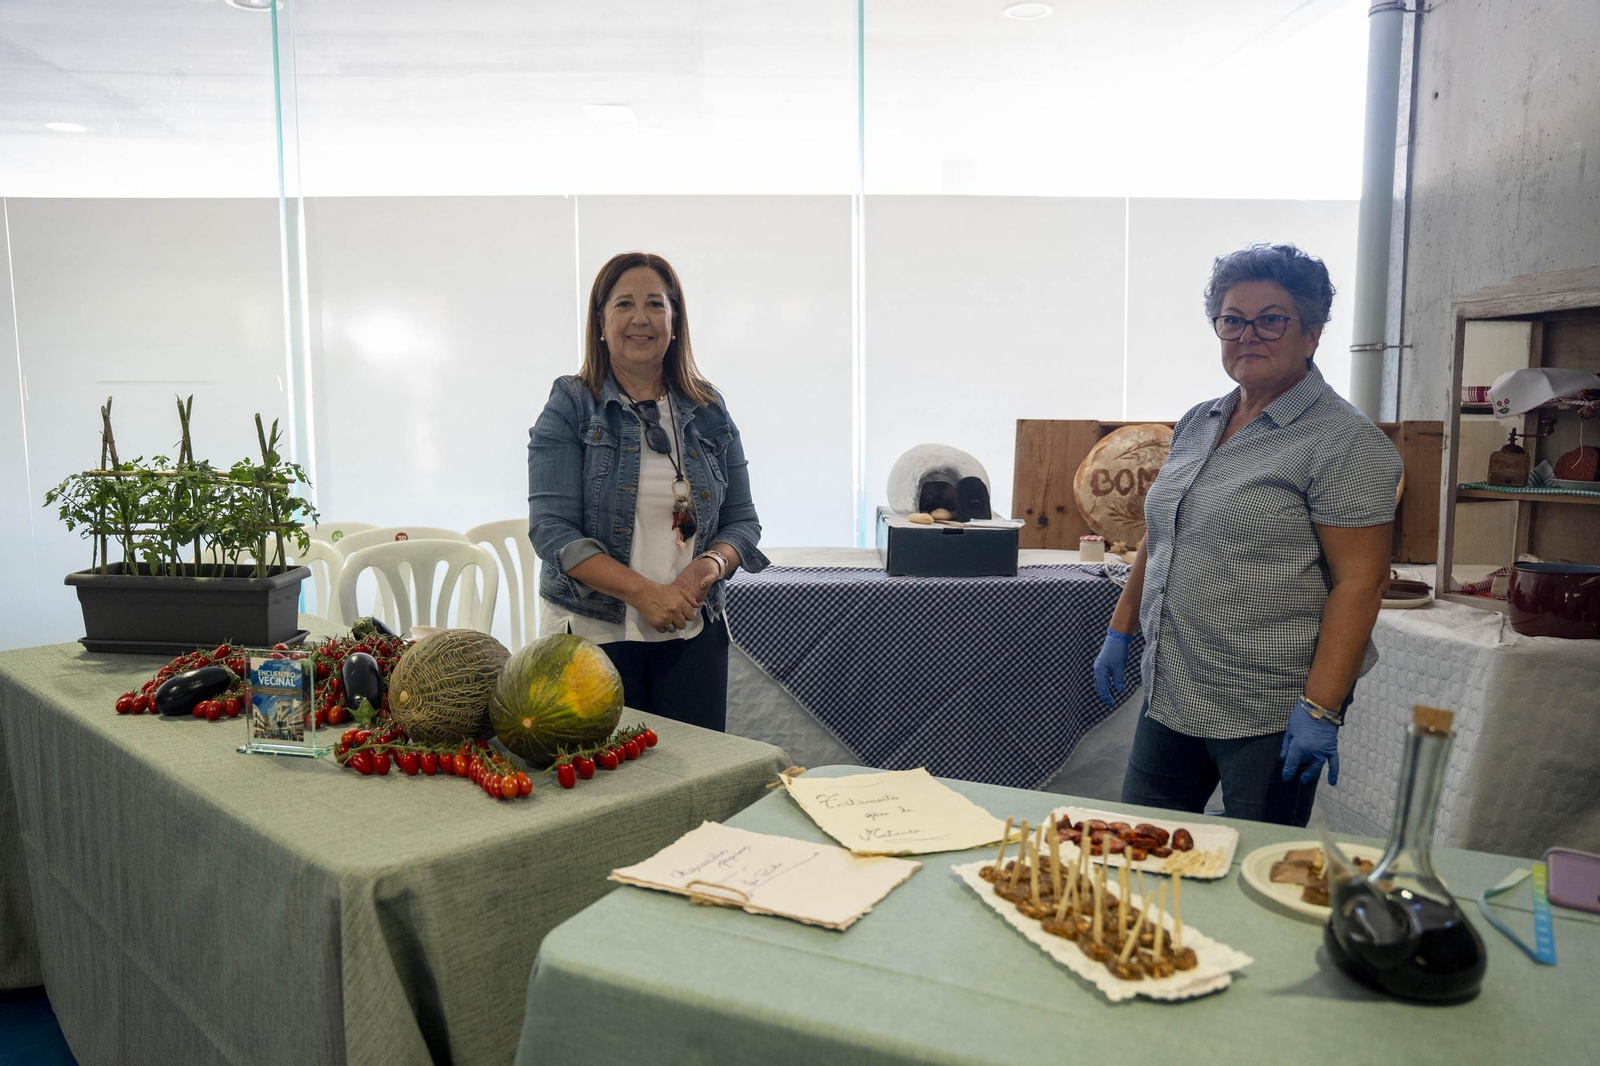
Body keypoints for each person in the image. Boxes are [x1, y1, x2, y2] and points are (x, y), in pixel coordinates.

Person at [1093, 243, 1401, 827]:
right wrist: (1121, 624)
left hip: (1268, 707)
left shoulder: (1345, 442)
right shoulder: (1198, 421)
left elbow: (1361, 583)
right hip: (1173, 686)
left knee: (1255, 875)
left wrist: (1321, 708)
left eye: (1271, 320)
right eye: (1233, 319)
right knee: (1143, 850)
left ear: (1312, 332)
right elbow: (1165, 530)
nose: (1248, 334)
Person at [528, 251, 766, 731]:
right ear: (600, 321)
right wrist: (644, 594)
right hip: (593, 638)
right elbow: (551, 531)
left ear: (675, 320)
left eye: (655, 304)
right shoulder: (572, 405)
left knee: (695, 785)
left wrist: (705, 569)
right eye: (624, 305)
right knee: (604, 791)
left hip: (693, 633)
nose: (641, 318)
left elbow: (744, 521)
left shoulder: (708, 407)